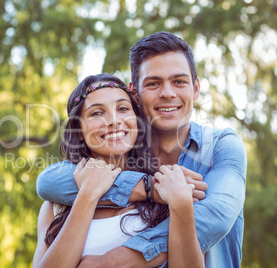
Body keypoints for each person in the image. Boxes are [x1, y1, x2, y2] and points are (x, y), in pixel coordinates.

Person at [36, 32, 247, 268]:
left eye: (179, 81)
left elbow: (214, 218)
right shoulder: (135, 171)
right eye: (153, 83)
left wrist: (113, 262)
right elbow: (47, 182)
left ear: (196, 88)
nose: (167, 93)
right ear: (135, 92)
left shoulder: (222, 147)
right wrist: (147, 187)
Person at [32, 73, 204, 268]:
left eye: (122, 108)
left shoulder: (162, 190)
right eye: (97, 113)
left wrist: (181, 204)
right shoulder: (55, 207)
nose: (113, 120)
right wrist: (88, 194)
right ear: (78, 132)